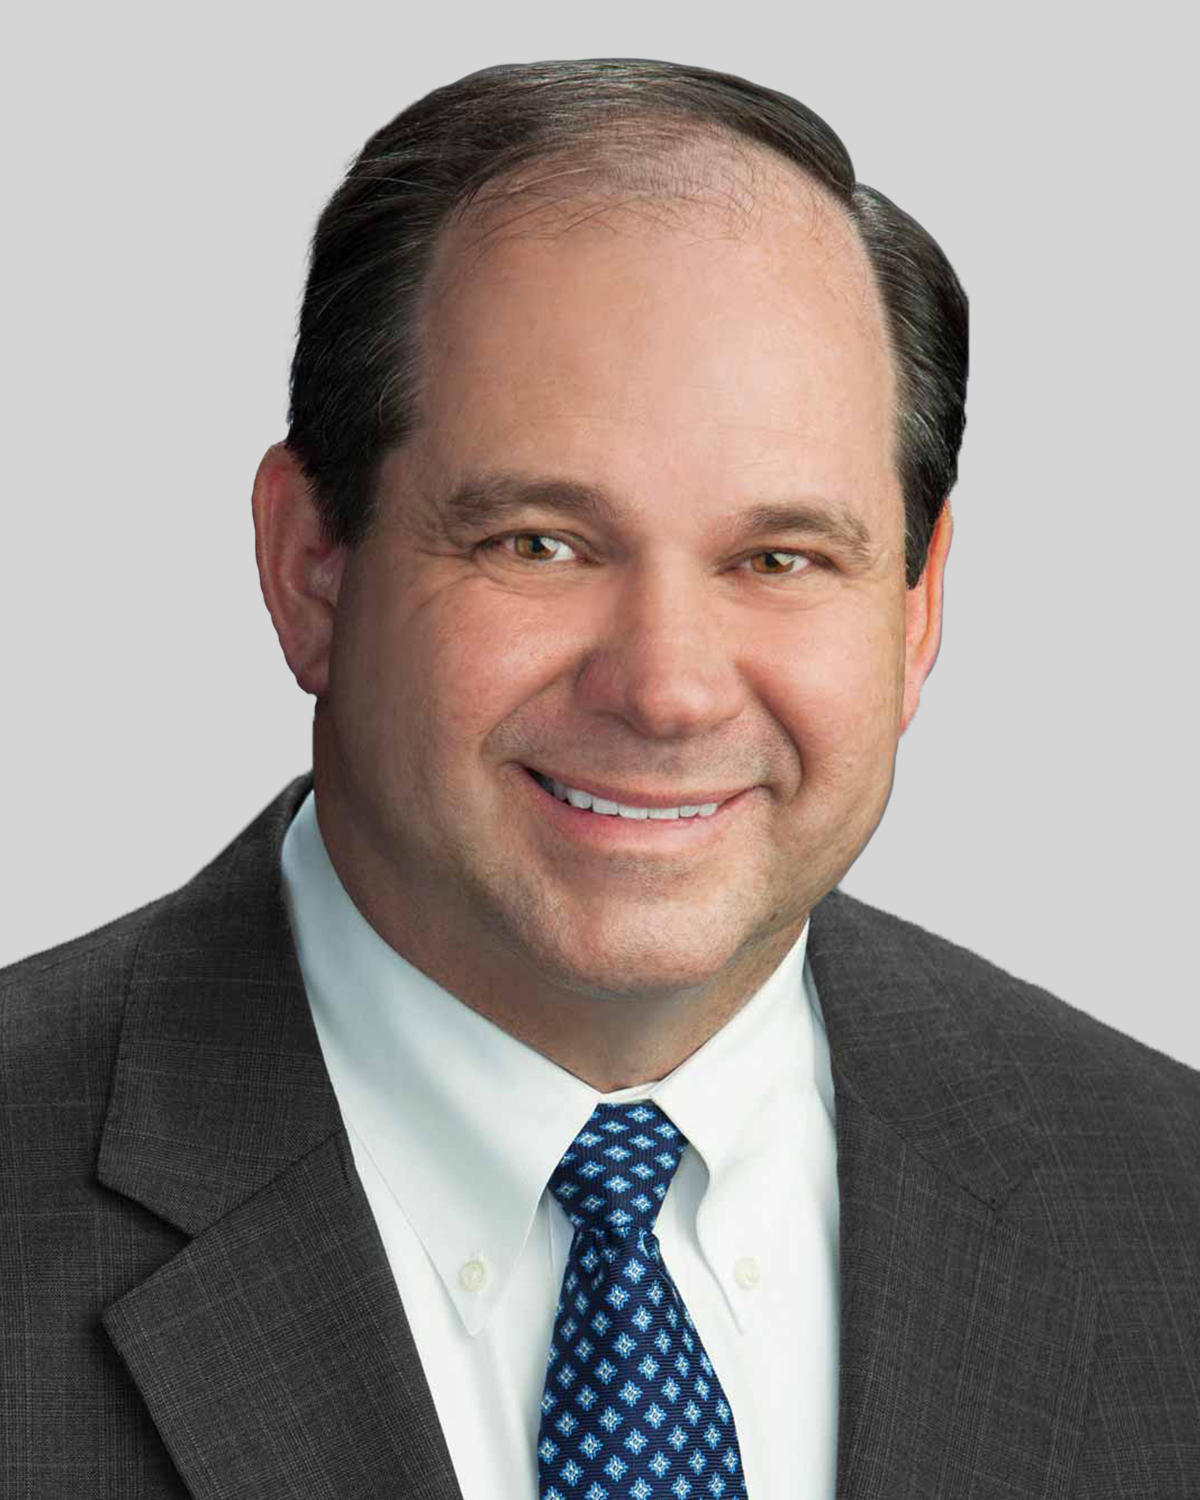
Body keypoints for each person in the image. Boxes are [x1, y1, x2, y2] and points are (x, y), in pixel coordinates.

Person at [2, 56, 1196, 1500]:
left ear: (918, 609)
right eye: (540, 544)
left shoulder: (1165, 1210)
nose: (668, 688)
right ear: (311, 564)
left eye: (780, 559)